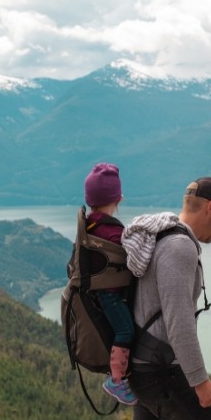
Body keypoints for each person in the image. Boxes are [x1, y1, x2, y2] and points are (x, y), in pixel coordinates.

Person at [121, 176, 211, 420]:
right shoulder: (180, 247)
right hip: (161, 372)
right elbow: (179, 322)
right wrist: (199, 381)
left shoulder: (161, 236)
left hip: (144, 366)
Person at [83, 162, 137, 405]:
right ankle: (116, 381)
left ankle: (118, 376)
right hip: (112, 295)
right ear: (119, 199)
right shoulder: (113, 233)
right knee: (125, 330)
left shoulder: (90, 226)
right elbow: (134, 259)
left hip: (98, 293)